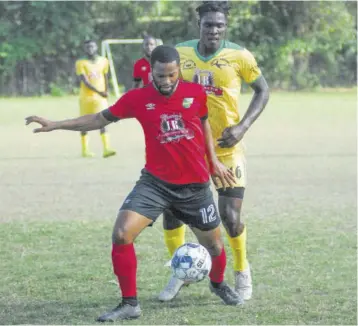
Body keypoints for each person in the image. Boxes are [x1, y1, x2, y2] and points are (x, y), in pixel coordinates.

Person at [25, 45, 243, 322]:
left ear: (178, 71)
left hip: (194, 187)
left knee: (214, 247)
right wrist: (56, 124)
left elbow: (204, 127)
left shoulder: (195, 93)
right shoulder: (138, 98)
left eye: (171, 75)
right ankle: (130, 304)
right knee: (121, 234)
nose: (165, 81)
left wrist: (214, 164)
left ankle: (218, 284)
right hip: (155, 183)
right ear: (150, 70)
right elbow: (97, 118)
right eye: (160, 76)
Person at [159, 1, 270, 302]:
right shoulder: (180, 54)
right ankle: (178, 272)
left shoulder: (239, 56)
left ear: (225, 27)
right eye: (209, 25)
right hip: (188, 150)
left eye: (219, 25)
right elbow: (164, 87)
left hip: (226, 149)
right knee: (172, 213)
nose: (214, 30)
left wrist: (243, 127)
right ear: (200, 26)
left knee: (230, 218)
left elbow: (263, 90)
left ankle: (242, 270)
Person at [75, 39, 116, 158]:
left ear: (96, 47)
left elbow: (105, 76)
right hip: (86, 98)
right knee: (84, 123)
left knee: (103, 121)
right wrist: (99, 92)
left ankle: (106, 148)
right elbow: (84, 81)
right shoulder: (81, 63)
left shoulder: (104, 61)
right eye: (87, 47)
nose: (90, 49)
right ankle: (85, 150)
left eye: (92, 47)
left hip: (100, 99)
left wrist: (106, 91)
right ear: (84, 49)